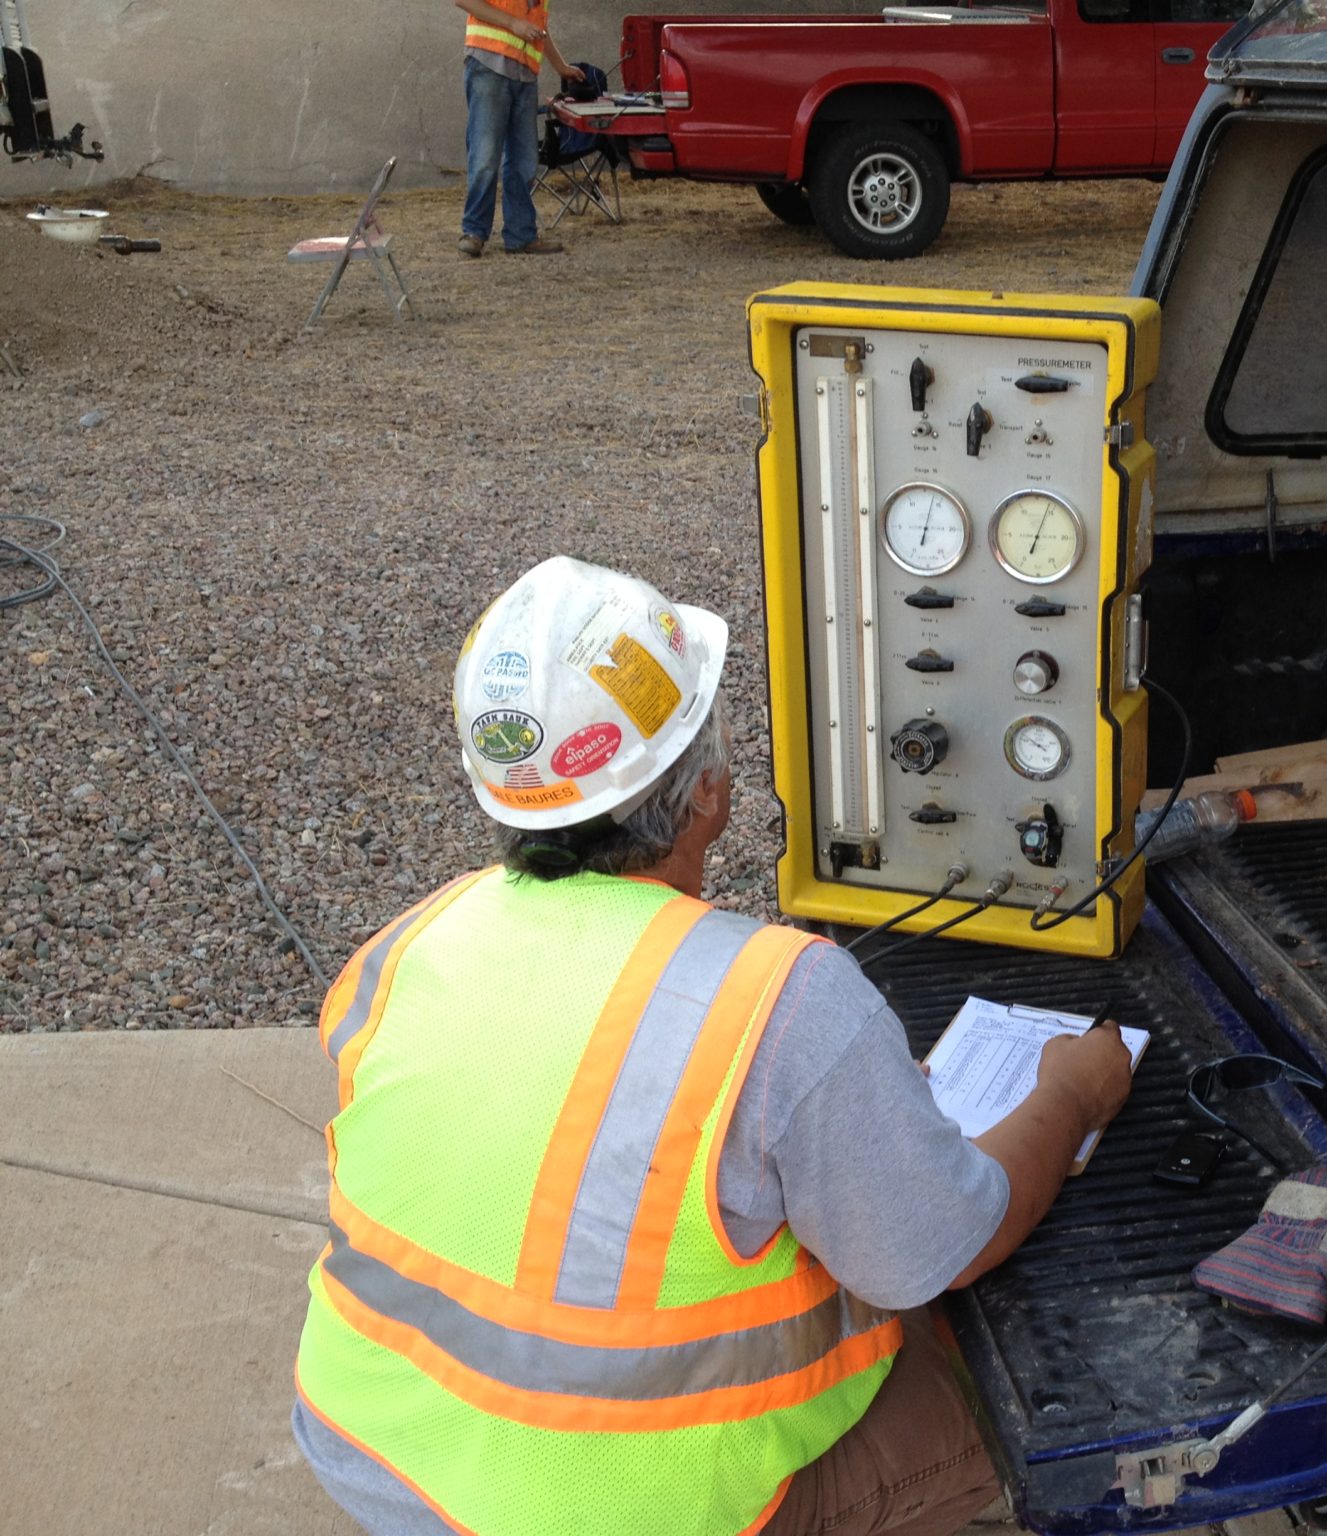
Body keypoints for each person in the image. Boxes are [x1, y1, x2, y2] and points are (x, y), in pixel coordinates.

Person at [292, 555, 1135, 1536]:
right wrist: (1072, 1095)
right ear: (708, 795)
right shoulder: (780, 997)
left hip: (368, 1452)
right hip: (611, 1516)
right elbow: (945, 1250)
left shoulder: (413, 940)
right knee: (1022, 1410)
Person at [449, 0, 586, 256]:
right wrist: (514, 25)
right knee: (485, 156)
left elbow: (537, 28)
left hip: (524, 74)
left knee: (524, 160)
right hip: (489, 65)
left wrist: (561, 67)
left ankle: (520, 235)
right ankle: (474, 232)